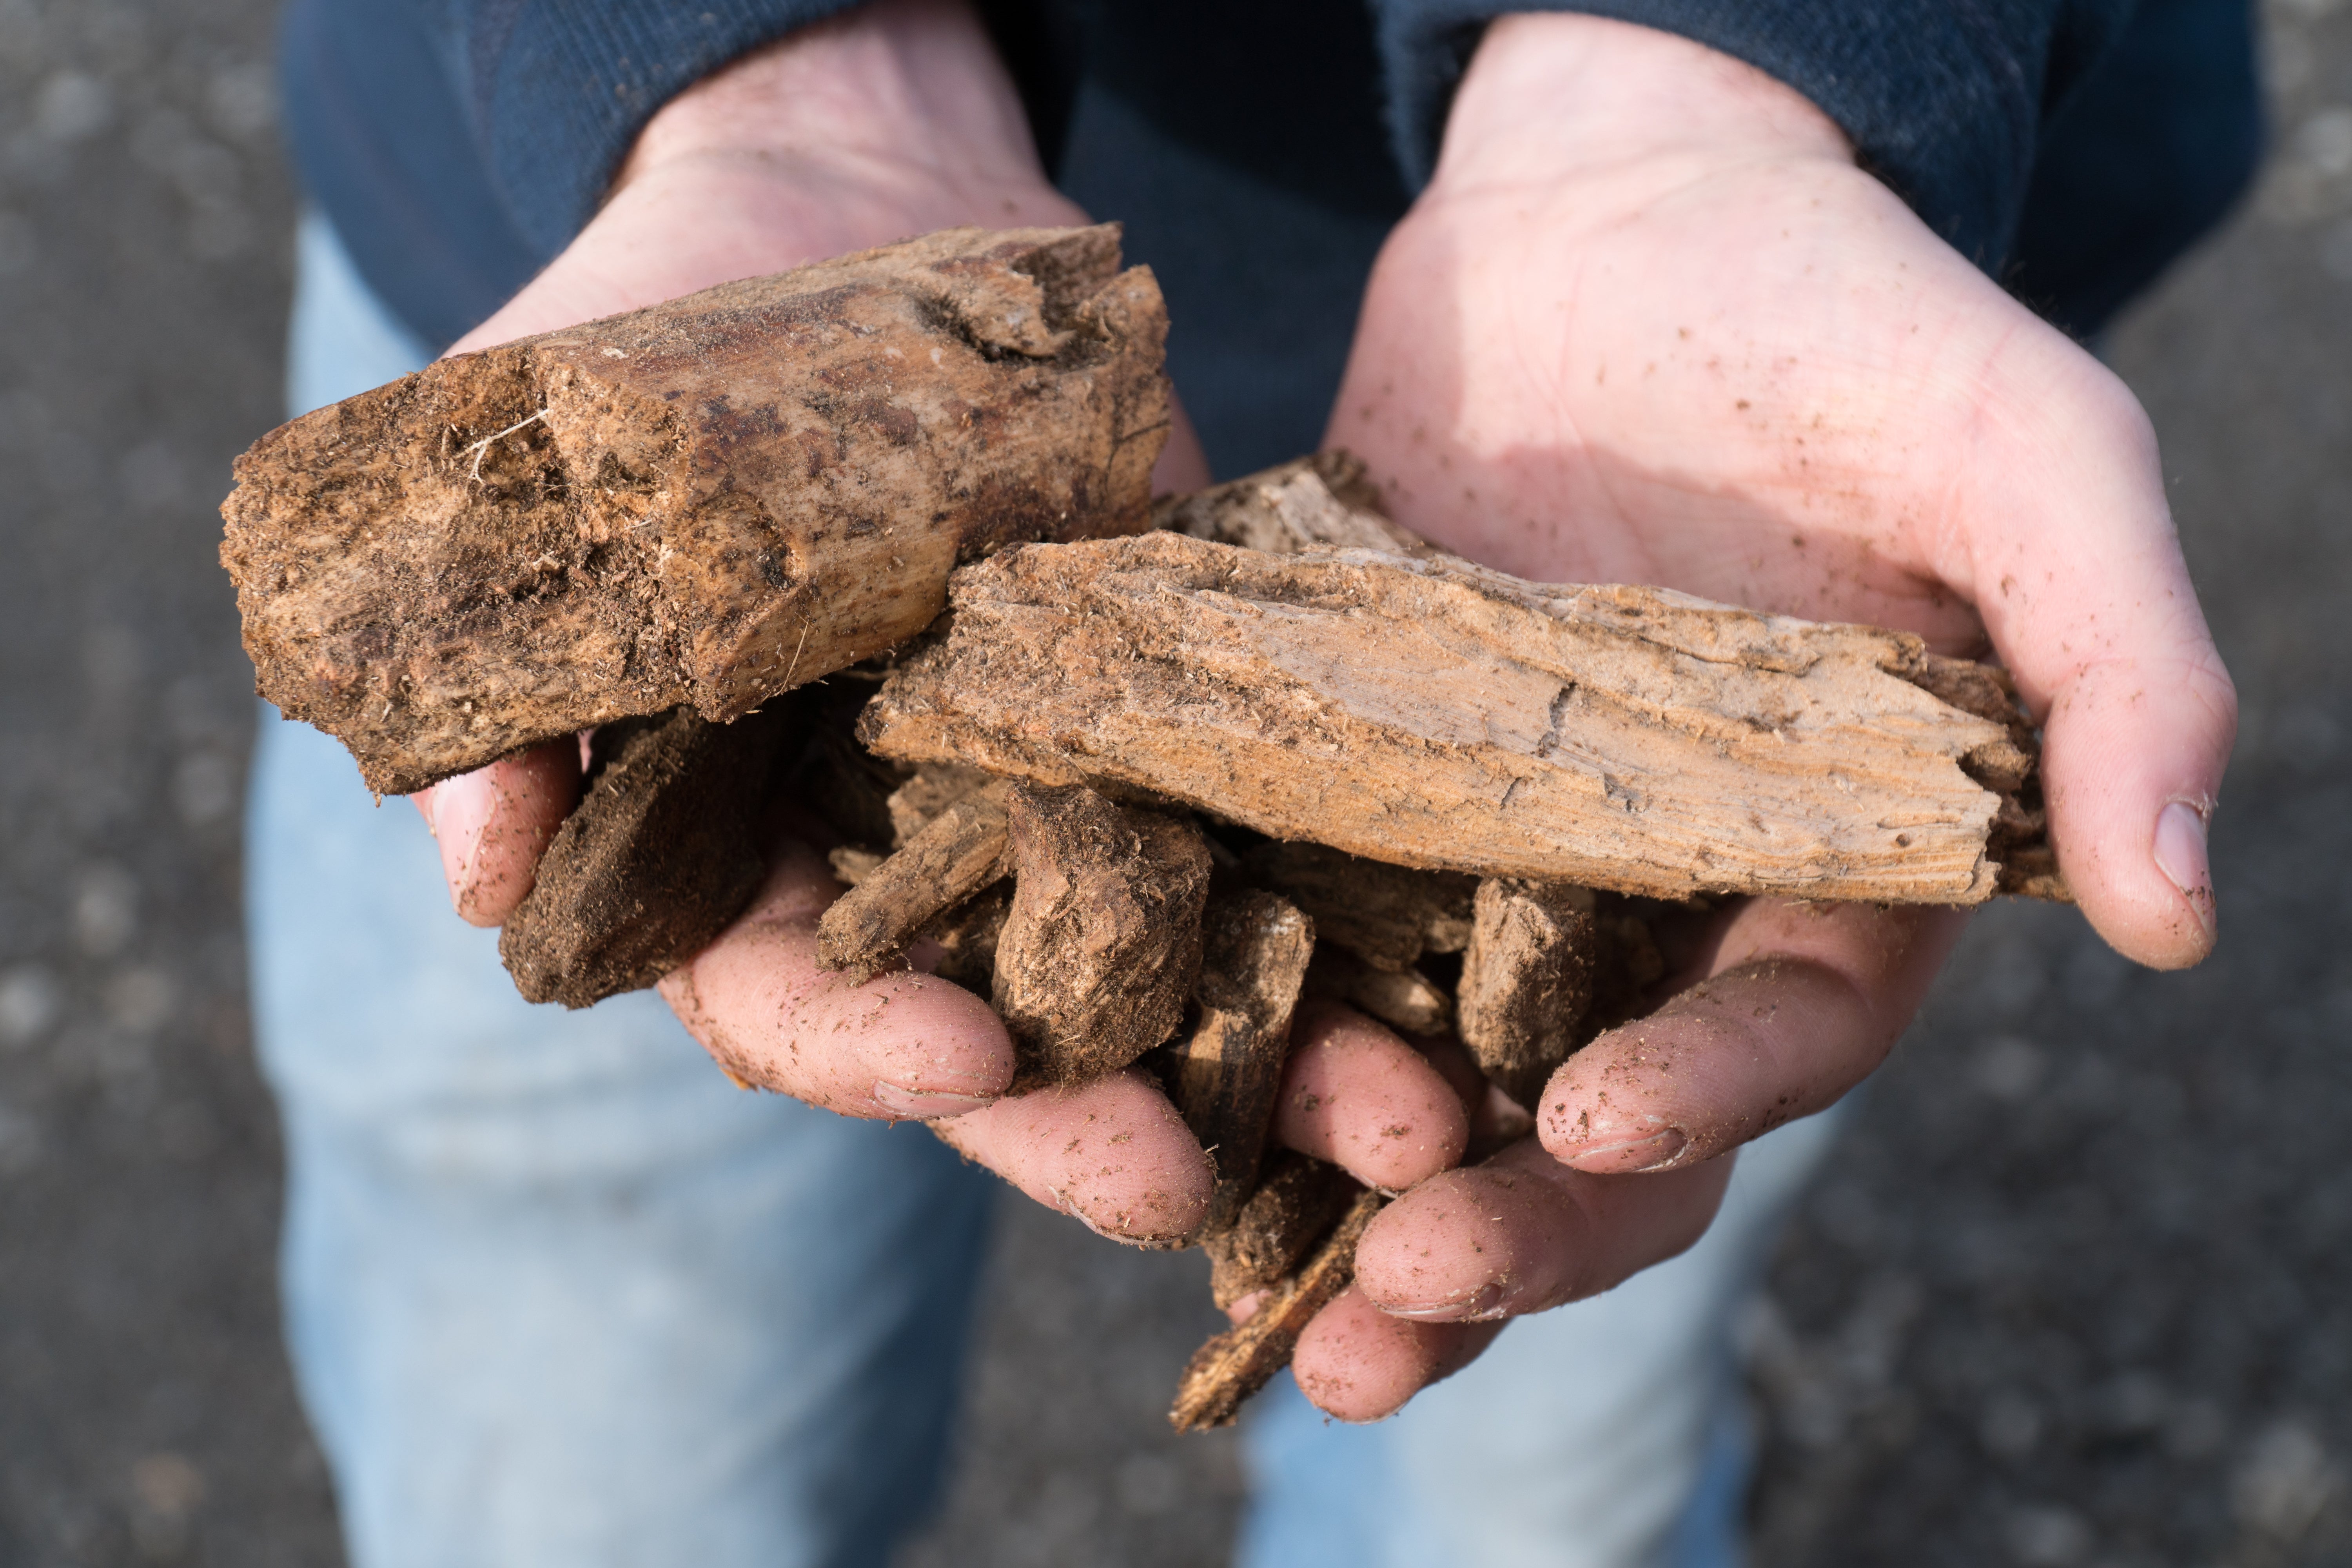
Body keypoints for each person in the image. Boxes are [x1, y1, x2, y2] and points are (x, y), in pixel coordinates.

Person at [250, 1, 2257, 1564]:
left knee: (1548, 1319)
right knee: (571, 1344)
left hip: (1761, 313)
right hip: (663, 252)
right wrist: (761, 71)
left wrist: (1737, 74)